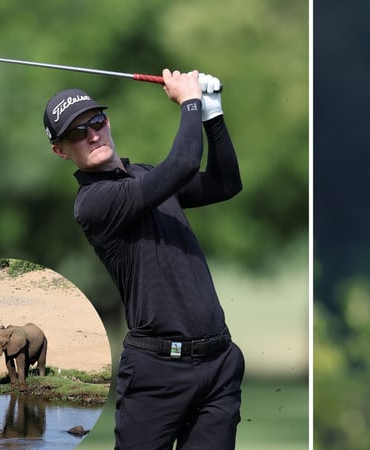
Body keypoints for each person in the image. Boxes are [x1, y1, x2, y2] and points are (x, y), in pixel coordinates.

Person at [44, 69, 245, 449]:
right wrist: (189, 102)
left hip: (219, 364)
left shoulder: (145, 177)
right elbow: (183, 164)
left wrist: (213, 113)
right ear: (61, 150)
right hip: (156, 373)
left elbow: (225, 183)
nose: (92, 135)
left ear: (107, 121)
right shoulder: (94, 204)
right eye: (75, 133)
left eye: (96, 121)